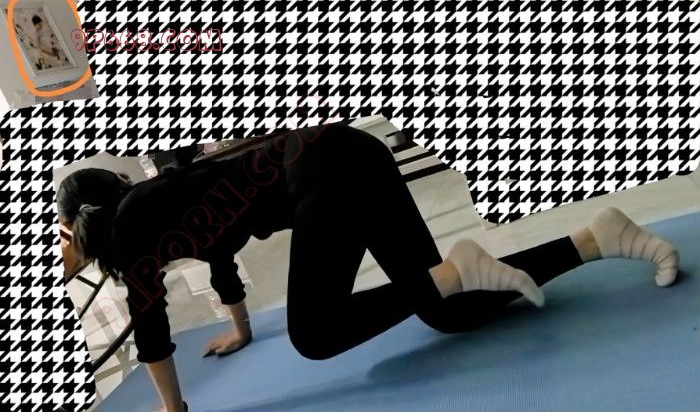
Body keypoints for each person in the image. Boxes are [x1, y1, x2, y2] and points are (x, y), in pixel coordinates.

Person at [56, 123, 679, 412]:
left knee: (315, 333)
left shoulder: (127, 230)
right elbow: (220, 258)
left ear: (73, 228)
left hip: (326, 178)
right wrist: (240, 330)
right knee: (444, 312)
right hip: (349, 152)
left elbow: (152, 330)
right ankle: (597, 238)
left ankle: (453, 271)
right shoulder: (155, 205)